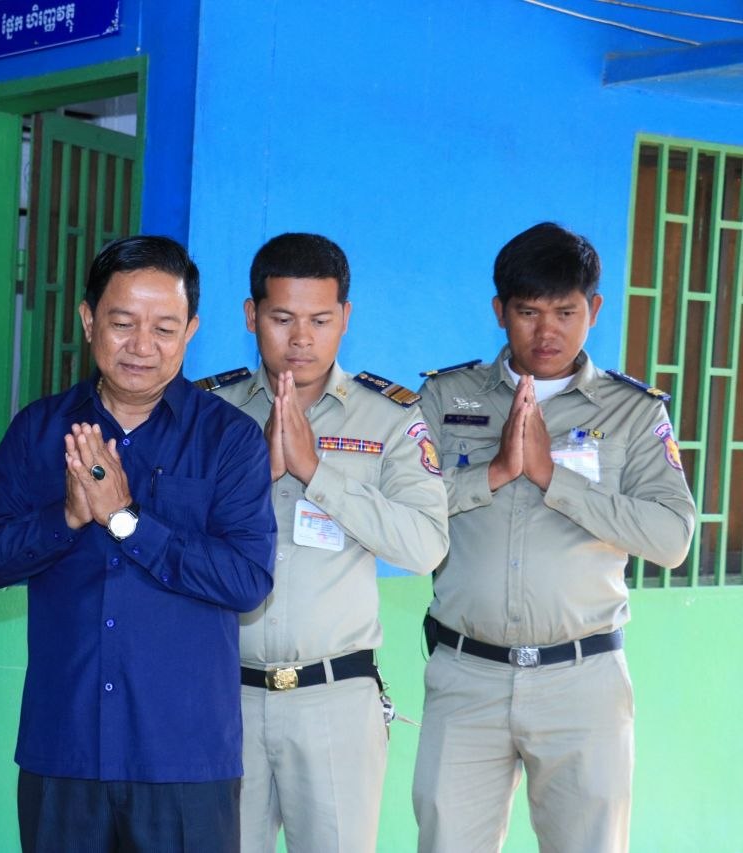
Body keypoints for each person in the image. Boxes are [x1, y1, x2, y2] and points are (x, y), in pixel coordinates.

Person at [0, 235, 277, 852]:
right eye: (122, 323)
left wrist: (128, 521)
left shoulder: (229, 440)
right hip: (64, 748)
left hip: (183, 756)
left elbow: (247, 581)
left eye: (164, 328)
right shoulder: (40, 430)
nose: (141, 346)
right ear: (88, 320)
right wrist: (67, 517)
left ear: (191, 332)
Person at [411, 222, 695, 852]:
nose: (547, 332)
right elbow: (402, 513)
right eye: (528, 312)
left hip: (582, 680)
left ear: (593, 309)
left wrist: (552, 478)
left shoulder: (633, 411)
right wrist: (494, 473)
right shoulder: (444, 397)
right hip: (466, 675)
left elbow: (672, 536)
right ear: (499, 312)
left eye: (566, 312)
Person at [211, 233, 449, 853]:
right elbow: (170, 539)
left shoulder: (390, 417)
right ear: (251, 315)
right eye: (281, 318)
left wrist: (317, 473)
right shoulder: (209, 413)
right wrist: (256, 474)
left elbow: (425, 545)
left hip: (336, 699)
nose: (301, 339)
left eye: (319, 320)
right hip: (221, 695)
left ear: (345, 317)